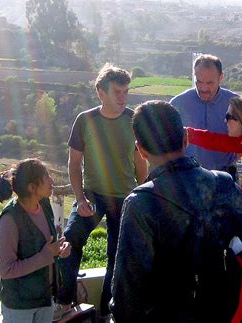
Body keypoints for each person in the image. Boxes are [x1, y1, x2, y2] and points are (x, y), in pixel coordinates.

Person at [110, 100, 242, 322]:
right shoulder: (225, 185)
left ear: (140, 150)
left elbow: (126, 295)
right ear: (185, 138)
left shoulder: (142, 204)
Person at [56, 63, 147, 319]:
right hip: (93, 195)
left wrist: (141, 196)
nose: (123, 97)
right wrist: (80, 198)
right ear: (101, 93)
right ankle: (64, 301)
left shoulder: (133, 119)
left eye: (126, 91)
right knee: (70, 240)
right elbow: (74, 163)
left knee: (117, 255)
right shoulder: (85, 120)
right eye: (117, 92)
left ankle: (108, 310)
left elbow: (141, 162)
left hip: (126, 197)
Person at [0, 158, 71, 323]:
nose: (52, 181)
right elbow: (6, 270)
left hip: (45, 297)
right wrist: (46, 255)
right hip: (20, 305)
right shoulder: (10, 219)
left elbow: (48, 246)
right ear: (32, 187)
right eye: (46, 178)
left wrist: (60, 249)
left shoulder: (43, 204)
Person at [187, 96, 242, 213]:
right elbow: (216, 141)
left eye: (228, 117)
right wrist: (188, 133)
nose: (225, 121)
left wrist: (228, 196)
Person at [171, 54, 238, 177]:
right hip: (188, 176)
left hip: (226, 176)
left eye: (210, 83)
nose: (203, 88)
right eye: (199, 82)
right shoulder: (177, 104)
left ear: (221, 77)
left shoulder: (235, 104)